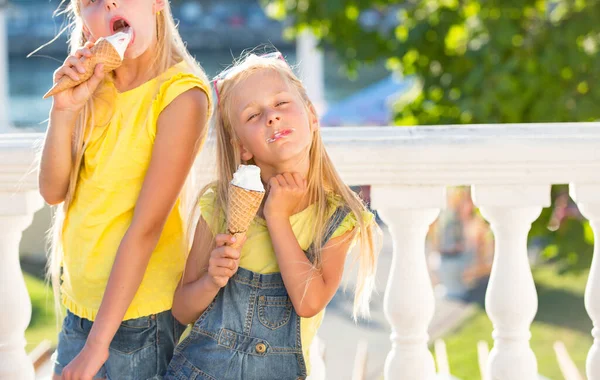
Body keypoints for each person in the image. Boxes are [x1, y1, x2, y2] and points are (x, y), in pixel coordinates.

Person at [165, 51, 381, 379]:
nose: (272, 117)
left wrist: (277, 217)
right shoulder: (221, 205)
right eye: (253, 115)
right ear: (242, 148)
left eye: (281, 104)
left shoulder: (337, 218)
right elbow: (182, 309)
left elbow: (308, 303)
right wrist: (211, 281)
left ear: (311, 117)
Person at [38, 0, 212, 378]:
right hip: (80, 310)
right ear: (84, 22)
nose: (109, 4)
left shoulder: (181, 95)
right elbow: (53, 191)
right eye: (92, 3)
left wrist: (96, 349)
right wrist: (63, 112)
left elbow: (146, 228)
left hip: (138, 322)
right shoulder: (95, 87)